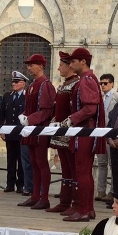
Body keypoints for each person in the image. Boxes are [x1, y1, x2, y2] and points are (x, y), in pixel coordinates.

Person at [63, 48, 104, 222]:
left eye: (73, 61)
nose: (70, 65)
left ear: (83, 62)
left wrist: (71, 119)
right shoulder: (86, 79)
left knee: (82, 171)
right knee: (84, 172)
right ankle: (87, 208)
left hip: (84, 131)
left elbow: (90, 108)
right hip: (83, 130)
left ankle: (85, 209)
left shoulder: (87, 80)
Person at [18, 54, 56, 210]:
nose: (28, 67)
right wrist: (25, 116)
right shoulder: (33, 84)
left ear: (40, 66)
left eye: (31, 64)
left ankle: (44, 197)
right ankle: (35, 196)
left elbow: (47, 110)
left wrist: (30, 119)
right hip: (31, 129)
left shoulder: (45, 84)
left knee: (41, 163)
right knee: (33, 163)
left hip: (40, 129)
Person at [47, 53, 79, 215]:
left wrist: (65, 123)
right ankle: (64, 201)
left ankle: (73, 202)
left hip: (69, 131)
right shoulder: (64, 84)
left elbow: (74, 109)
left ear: (69, 66)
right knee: (65, 168)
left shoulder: (76, 84)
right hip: (60, 130)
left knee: (73, 168)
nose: (59, 68)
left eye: (61, 65)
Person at [0, 71, 28, 193]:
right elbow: (2, 114)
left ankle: (20, 184)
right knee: (10, 160)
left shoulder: (27, 97)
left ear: (23, 83)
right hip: (9, 132)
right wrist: (1, 129)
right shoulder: (7, 96)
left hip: (21, 133)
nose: (13, 84)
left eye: (16, 82)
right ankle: (10, 184)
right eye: (12, 82)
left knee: (21, 160)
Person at [95, 73, 117, 203]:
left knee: (112, 163)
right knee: (101, 163)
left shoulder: (115, 97)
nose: (102, 85)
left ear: (112, 84)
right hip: (100, 133)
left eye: (105, 83)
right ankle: (100, 190)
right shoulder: (100, 97)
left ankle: (112, 191)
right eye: (101, 83)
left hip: (110, 133)